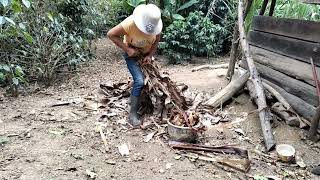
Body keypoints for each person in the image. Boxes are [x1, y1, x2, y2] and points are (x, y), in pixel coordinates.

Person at [107, 4, 162, 127]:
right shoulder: (130, 23)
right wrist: (127, 49)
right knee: (139, 81)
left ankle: (142, 102)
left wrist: (150, 55)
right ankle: (132, 114)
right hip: (132, 54)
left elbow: (156, 42)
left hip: (145, 56)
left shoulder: (156, 25)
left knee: (152, 82)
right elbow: (111, 34)